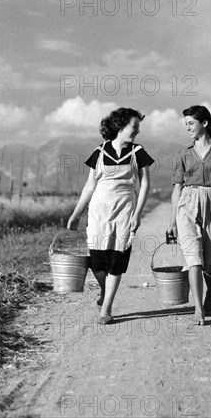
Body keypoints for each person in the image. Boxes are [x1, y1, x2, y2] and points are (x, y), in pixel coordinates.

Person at [67, 108, 154, 325]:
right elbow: (89, 186)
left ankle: (106, 308)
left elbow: (144, 184)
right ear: (121, 126)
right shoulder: (99, 151)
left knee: (116, 260)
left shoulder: (138, 152)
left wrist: (138, 213)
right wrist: (76, 213)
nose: (137, 132)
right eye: (134, 127)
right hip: (98, 212)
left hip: (124, 211)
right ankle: (106, 290)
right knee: (96, 262)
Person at [166, 105, 211, 325]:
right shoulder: (183, 155)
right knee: (193, 259)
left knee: (209, 261)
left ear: (204, 123)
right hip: (187, 204)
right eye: (186, 124)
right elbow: (177, 189)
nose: (187, 128)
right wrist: (172, 222)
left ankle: (210, 292)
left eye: (191, 123)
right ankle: (198, 309)